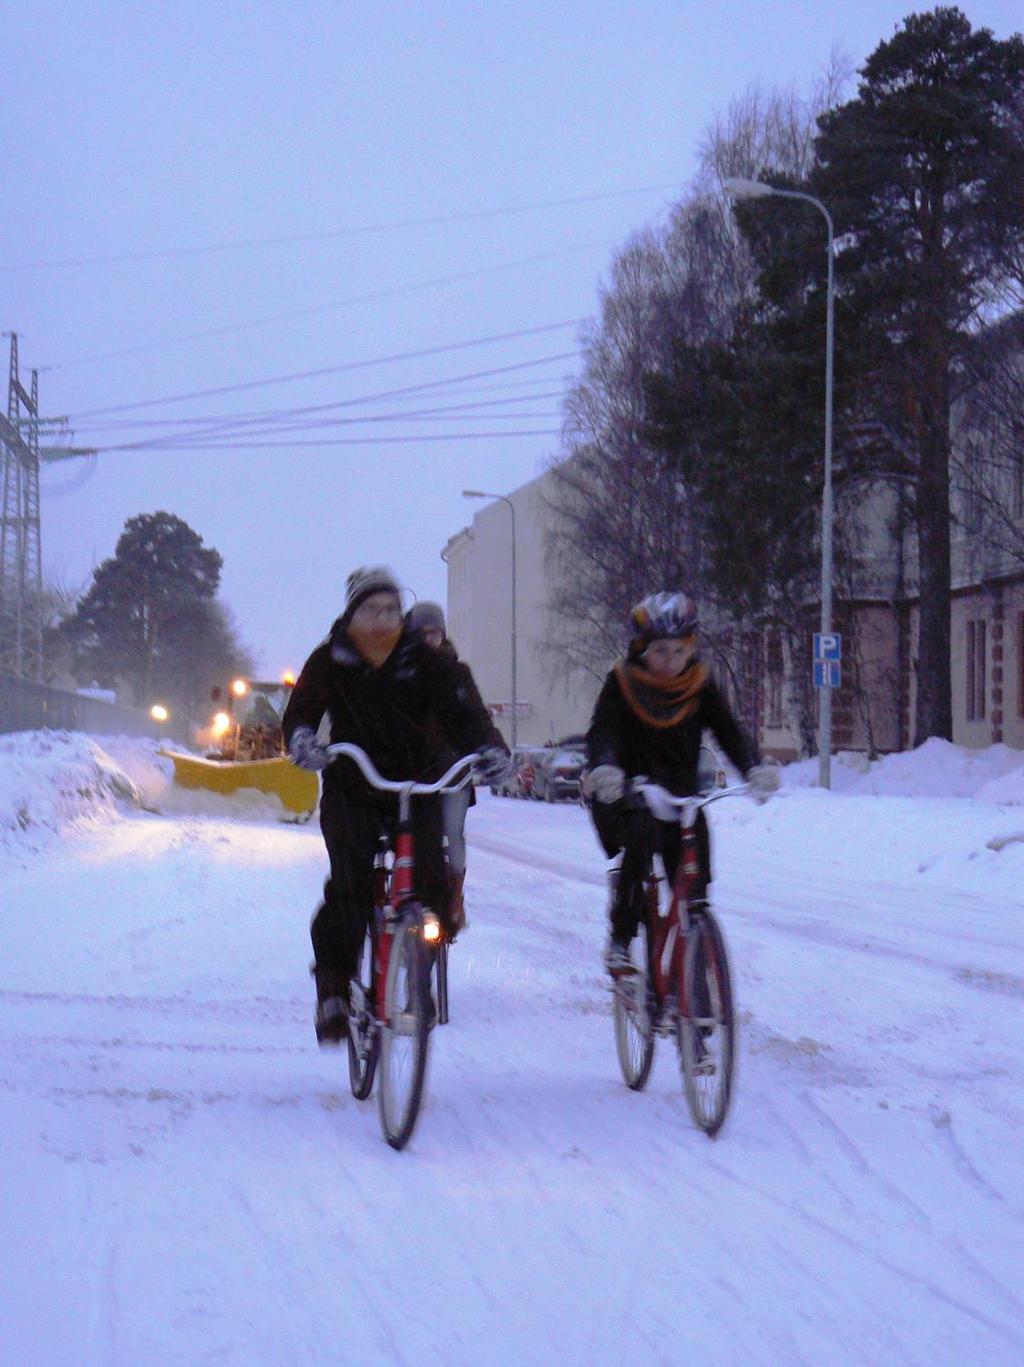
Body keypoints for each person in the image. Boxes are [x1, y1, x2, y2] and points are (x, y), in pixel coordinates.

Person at [283, 567, 510, 1045]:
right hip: (354, 782)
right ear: (352, 614)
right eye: (372, 609)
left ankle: (417, 967)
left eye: (391, 609)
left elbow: (463, 708)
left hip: (417, 785)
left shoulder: (423, 660)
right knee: (351, 887)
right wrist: (303, 738)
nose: (383, 618)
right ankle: (334, 989)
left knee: (431, 882)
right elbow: (302, 709)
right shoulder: (332, 659)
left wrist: (488, 746)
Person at [584, 590, 779, 974]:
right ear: (641, 649)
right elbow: (602, 732)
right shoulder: (622, 683)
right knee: (639, 839)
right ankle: (621, 940)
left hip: (680, 795)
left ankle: (697, 952)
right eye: (660, 651)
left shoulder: (700, 684)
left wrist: (752, 767)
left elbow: (728, 730)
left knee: (695, 867)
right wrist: (605, 767)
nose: (670, 661)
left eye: (678, 650)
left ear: (690, 648)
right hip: (628, 791)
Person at [405, 600, 482, 936]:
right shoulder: (400, 675)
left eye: (433, 633)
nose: (427, 640)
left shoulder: (456, 673)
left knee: (452, 832)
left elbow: (476, 718)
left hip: (452, 773)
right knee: (409, 836)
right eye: (420, 634)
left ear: (443, 635)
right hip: (412, 773)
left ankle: (454, 894)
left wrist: (485, 751)